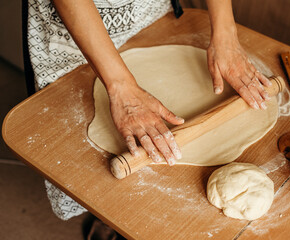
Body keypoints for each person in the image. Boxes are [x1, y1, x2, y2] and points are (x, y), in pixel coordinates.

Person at [27, 0, 271, 221]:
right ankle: (103, 218)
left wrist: (225, 34)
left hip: (147, 13)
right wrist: (121, 88)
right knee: (83, 171)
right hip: (74, 35)